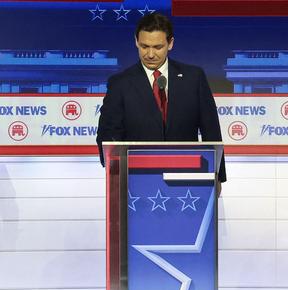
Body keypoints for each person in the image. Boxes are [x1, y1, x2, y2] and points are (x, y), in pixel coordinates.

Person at [96, 13, 226, 184]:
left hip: (187, 178)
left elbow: (211, 130)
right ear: (136, 41)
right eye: (144, 46)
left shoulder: (193, 78)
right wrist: (115, 172)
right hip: (137, 180)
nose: (150, 54)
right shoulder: (120, 83)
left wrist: (218, 177)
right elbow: (107, 134)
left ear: (170, 43)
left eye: (157, 47)